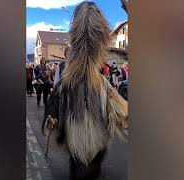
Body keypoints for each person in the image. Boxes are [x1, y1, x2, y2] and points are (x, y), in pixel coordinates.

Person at [42, 2, 128, 180]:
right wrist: (52, 114)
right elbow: (56, 96)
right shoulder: (69, 79)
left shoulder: (101, 82)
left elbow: (119, 109)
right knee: (80, 168)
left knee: (89, 168)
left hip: (95, 135)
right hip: (78, 134)